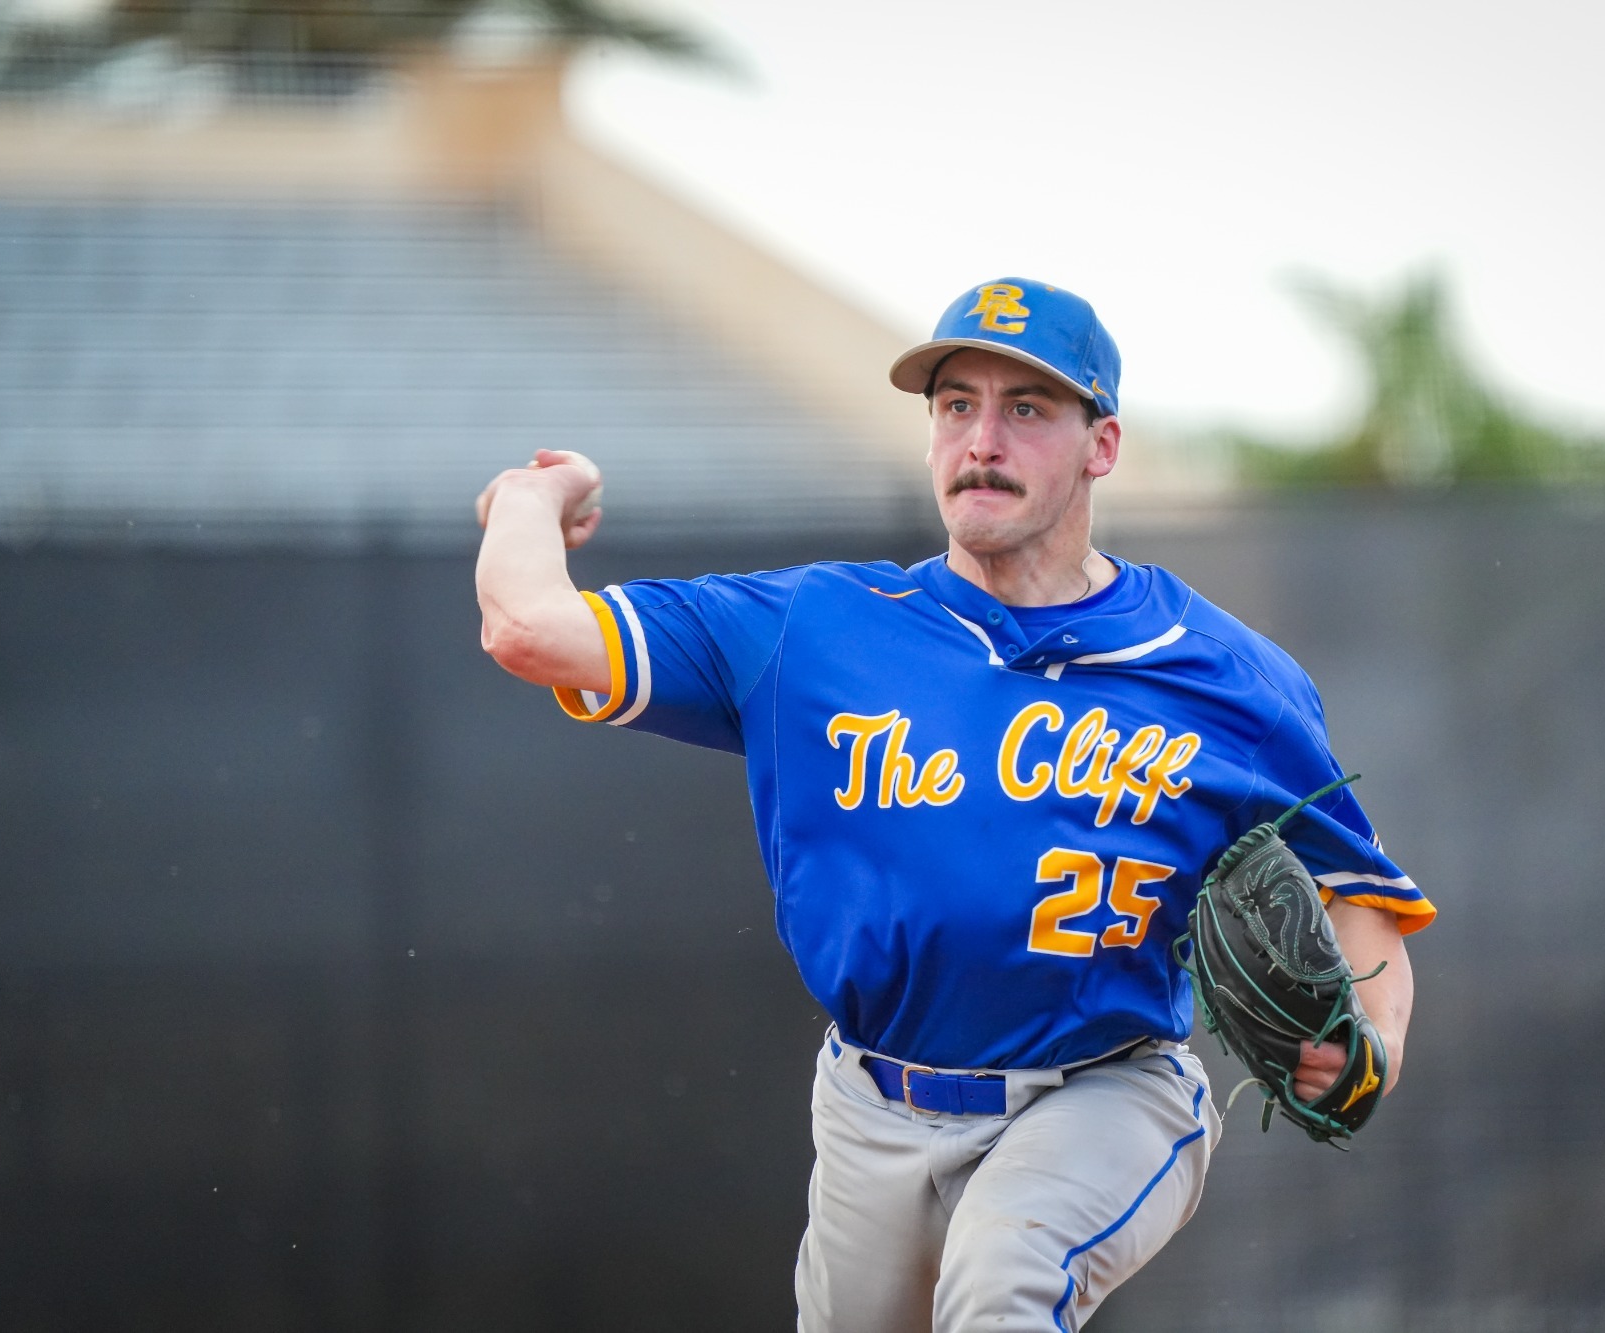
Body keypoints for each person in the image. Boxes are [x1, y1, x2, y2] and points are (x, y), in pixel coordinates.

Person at [474, 278, 1432, 1331]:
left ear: (1099, 445)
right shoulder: (813, 630)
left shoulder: (1225, 678)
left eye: (1026, 408)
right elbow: (527, 627)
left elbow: (1360, 895)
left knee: (1001, 1292)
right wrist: (528, 500)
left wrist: (1368, 1050)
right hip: (867, 1106)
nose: (982, 437)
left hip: (1097, 1093)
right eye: (954, 403)